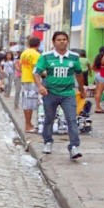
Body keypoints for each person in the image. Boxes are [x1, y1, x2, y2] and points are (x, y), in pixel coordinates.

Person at [33, 31, 86, 160]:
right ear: (54, 42)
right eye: (59, 40)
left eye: (64, 39)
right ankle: (48, 142)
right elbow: (36, 73)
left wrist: (81, 88)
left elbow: (79, 74)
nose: (62, 42)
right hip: (50, 93)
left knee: (72, 119)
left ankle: (74, 147)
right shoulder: (46, 56)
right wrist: (40, 86)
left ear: (67, 41)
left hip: (68, 93)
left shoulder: (73, 57)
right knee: (49, 118)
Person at [20, 36, 41, 132]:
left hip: (24, 79)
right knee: (30, 103)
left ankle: (28, 124)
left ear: (29, 44)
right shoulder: (36, 54)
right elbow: (36, 69)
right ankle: (28, 126)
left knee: (26, 102)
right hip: (32, 80)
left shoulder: (24, 53)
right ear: (38, 44)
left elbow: (21, 66)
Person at [92, 46, 104, 113]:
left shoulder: (97, 57)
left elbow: (92, 67)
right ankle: (98, 107)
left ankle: (97, 106)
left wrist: (97, 70)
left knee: (97, 92)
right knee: (100, 92)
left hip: (97, 74)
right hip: (103, 75)